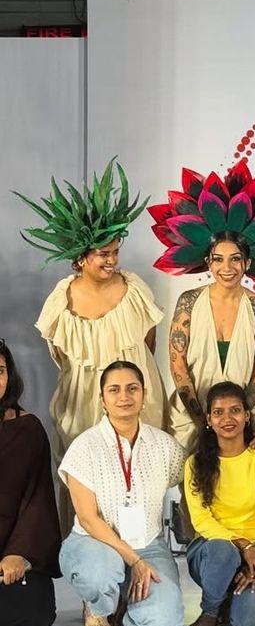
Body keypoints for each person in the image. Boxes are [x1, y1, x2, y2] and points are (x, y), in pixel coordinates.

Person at [18, 160, 166, 532]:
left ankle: (139, 549)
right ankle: (87, 549)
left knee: (136, 472)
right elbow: (61, 356)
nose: (112, 260)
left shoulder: (133, 289)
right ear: (81, 258)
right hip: (82, 400)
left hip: (133, 396)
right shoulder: (62, 299)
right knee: (87, 476)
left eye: (115, 252)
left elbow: (148, 342)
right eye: (103, 254)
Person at [151, 161, 255, 449]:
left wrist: (238, 416)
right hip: (190, 418)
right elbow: (178, 365)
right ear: (208, 262)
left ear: (247, 263)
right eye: (218, 259)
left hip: (241, 420)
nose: (227, 268)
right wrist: (202, 419)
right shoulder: (189, 301)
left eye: (235, 259)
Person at [59, 360, 185, 626]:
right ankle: (97, 605)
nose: (124, 396)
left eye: (132, 388)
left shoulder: (165, 446)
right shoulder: (84, 447)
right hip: (95, 543)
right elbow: (88, 519)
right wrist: (134, 561)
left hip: (148, 545)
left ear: (144, 394)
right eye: (114, 390)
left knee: (163, 624)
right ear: (102, 398)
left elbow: (194, 477)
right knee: (99, 573)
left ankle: (124, 605)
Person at [183, 382, 255, 626]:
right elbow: (201, 520)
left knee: (250, 625)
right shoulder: (195, 463)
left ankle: (230, 600)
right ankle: (210, 611)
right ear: (209, 420)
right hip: (212, 553)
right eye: (218, 412)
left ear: (247, 416)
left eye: (235, 410)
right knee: (223, 551)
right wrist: (244, 546)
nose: (227, 419)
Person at [0, 340, 61, 626]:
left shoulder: (28, 430)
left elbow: (38, 500)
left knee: (34, 611)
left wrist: (18, 553)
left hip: (10, 558)